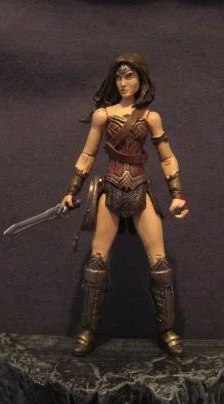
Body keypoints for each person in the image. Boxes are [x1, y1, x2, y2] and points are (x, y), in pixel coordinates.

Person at [61, 53, 190, 357]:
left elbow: (167, 157)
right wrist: (72, 190)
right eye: (119, 76)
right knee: (96, 264)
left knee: (160, 264)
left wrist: (177, 194)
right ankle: (88, 330)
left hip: (140, 189)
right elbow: (88, 154)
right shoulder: (103, 116)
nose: (123, 82)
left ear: (141, 79)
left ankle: (167, 330)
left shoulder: (150, 118)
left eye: (129, 75)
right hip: (111, 187)